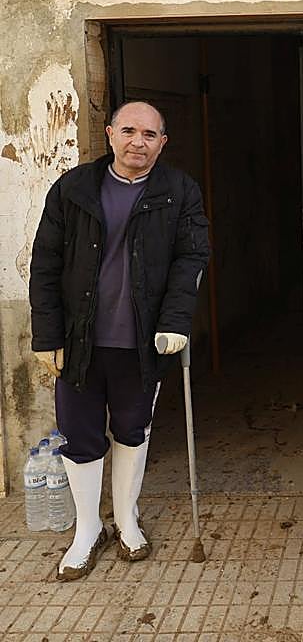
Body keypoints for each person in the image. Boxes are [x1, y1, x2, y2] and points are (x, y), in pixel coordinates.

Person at [29, 100, 210, 581]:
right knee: (81, 433)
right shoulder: (74, 188)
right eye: (129, 131)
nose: (138, 142)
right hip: (80, 339)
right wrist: (47, 336)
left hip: (141, 341)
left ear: (162, 143)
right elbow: (45, 263)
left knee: (132, 427)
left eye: (149, 135)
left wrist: (176, 321)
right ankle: (87, 528)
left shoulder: (179, 190)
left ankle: (127, 520)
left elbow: (191, 259)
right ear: (109, 134)